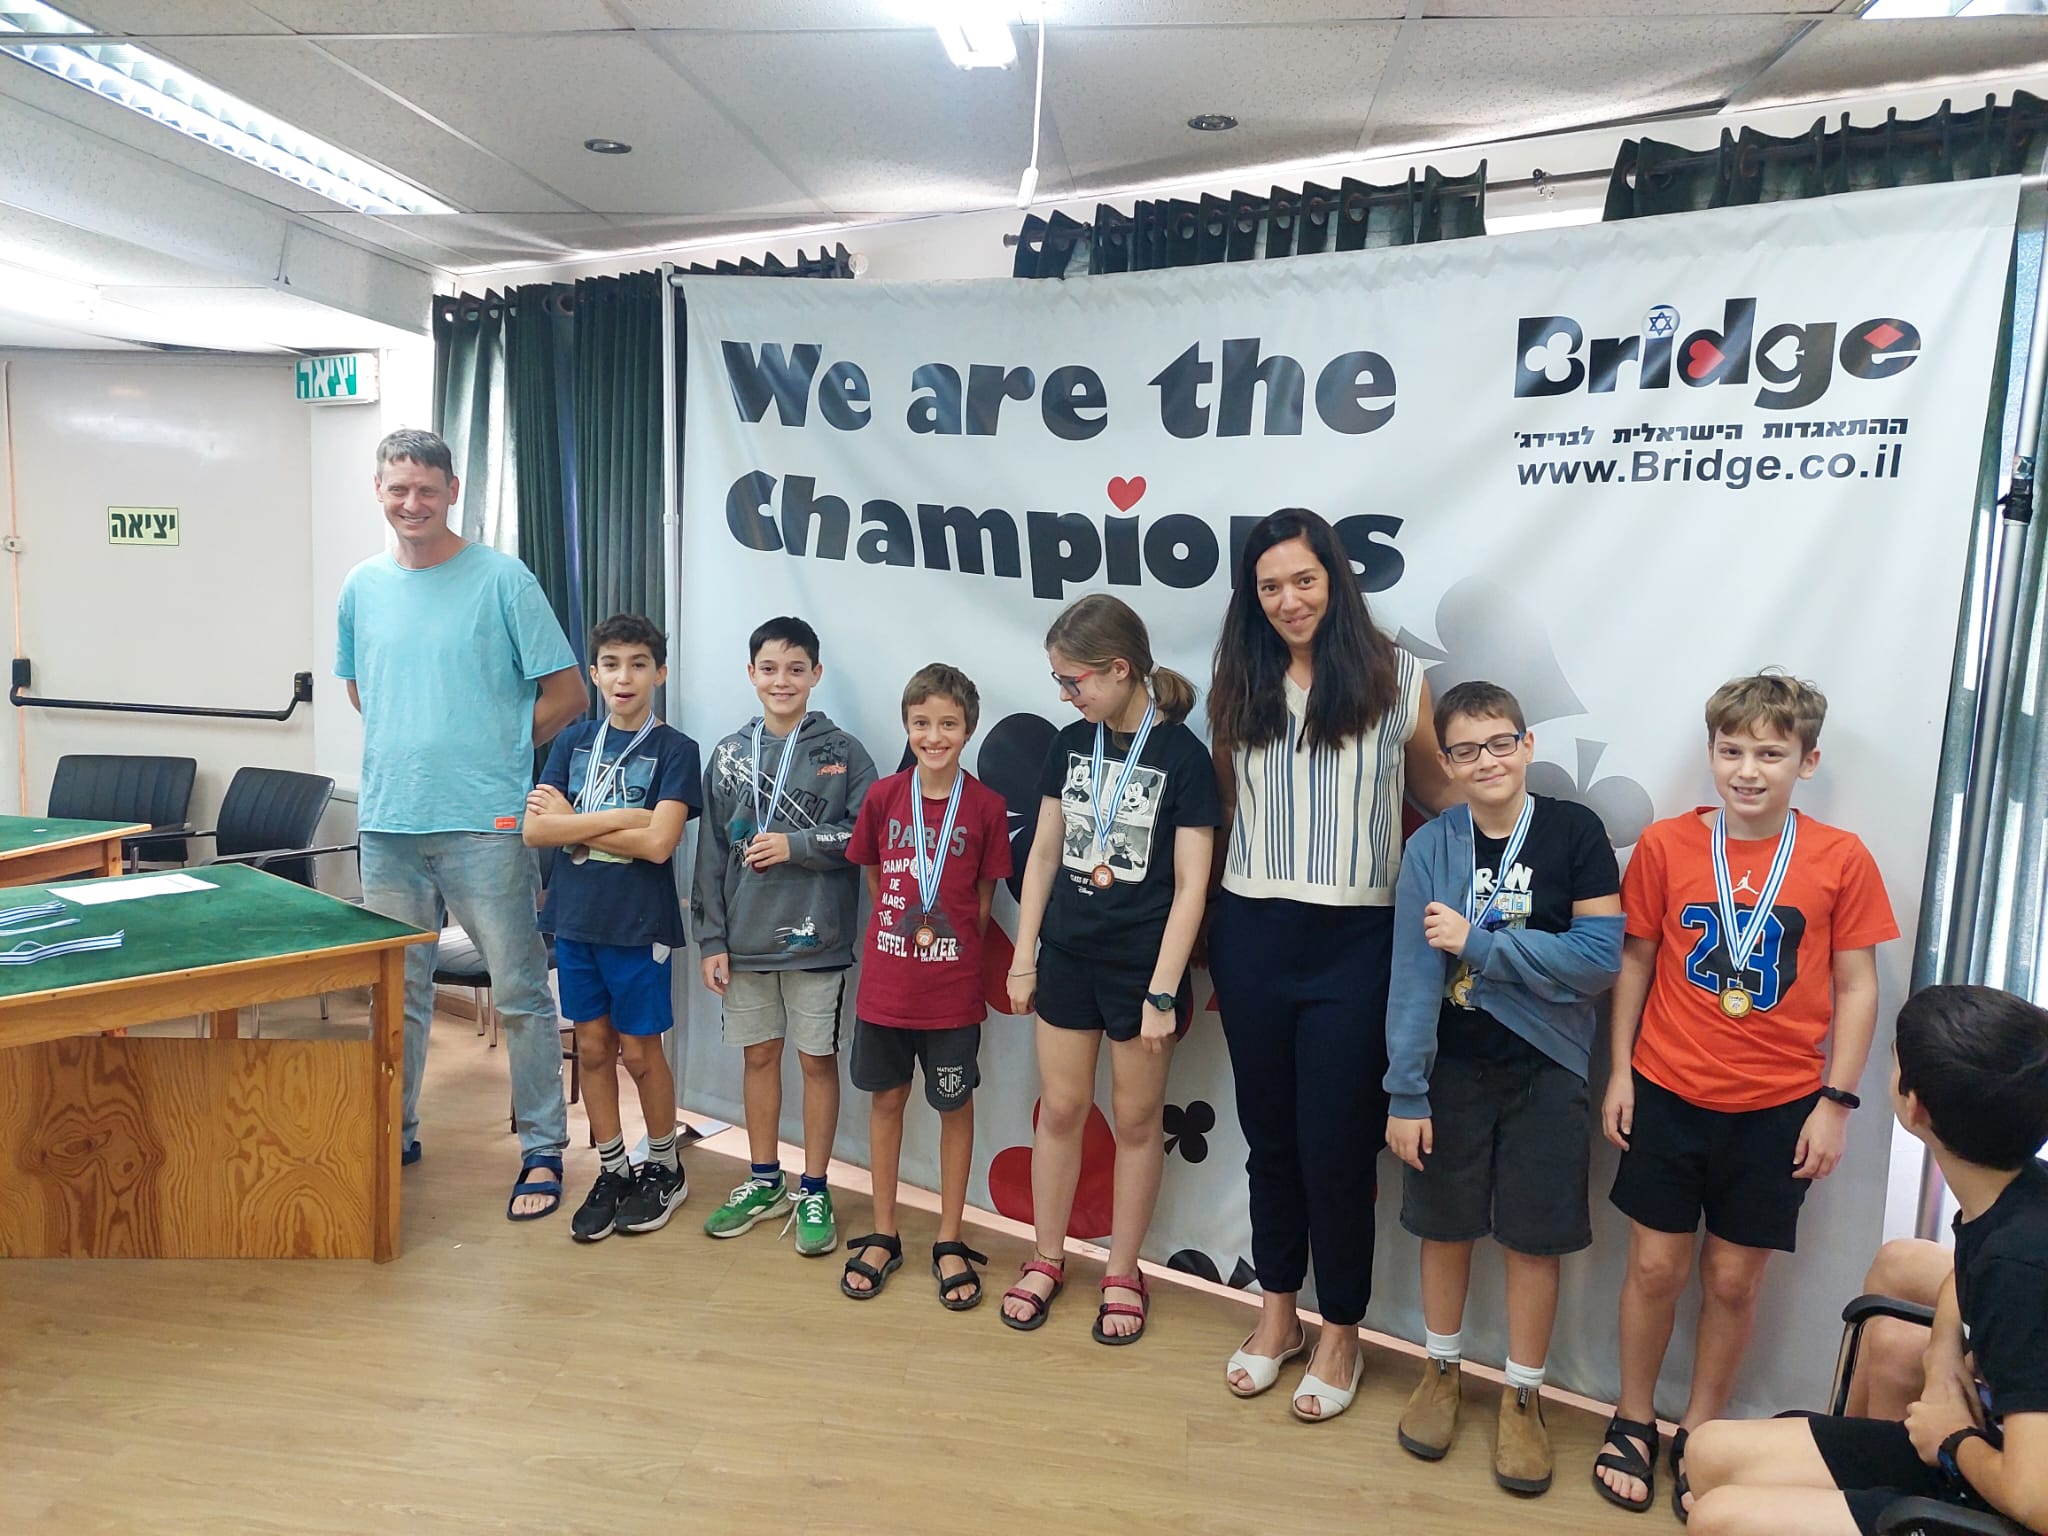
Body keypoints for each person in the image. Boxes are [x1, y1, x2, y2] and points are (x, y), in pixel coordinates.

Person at [1595, 672, 1899, 1516]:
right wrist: (1620, 1071)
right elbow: (1635, 960)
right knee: (1653, 1267)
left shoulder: (1841, 858)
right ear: (1711, 754)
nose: (1748, 770)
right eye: (1732, 751)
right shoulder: (1666, 845)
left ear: (1807, 761)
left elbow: (1858, 986)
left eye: (1770, 753)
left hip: (1779, 1108)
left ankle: (1703, 1431)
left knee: (1733, 1281)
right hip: (1667, 1089)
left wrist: (1836, 1102)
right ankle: (1632, 1417)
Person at [1204, 507, 1452, 1422]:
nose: (1288, 600)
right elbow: (1225, 805)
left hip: (1359, 941)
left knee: (1338, 1148)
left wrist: (1523, 828)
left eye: (1303, 580)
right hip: (1252, 933)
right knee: (1270, 1139)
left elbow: (1438, 791)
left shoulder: (1401, 677)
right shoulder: (1238, 676)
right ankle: (1278, 1316)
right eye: (1270, 586)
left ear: (1334, 580)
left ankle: (1342, 1328)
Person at [1683, 984, 2048, 1536]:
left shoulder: (2020, 1266)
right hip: (1975, 1451)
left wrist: (1953, 1438)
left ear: (1915, 1105)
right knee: (1706, 1452)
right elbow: (1965, 1271)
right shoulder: (2011, 1190)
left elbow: (2034, 1497)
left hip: (2001, 1490)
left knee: (1717, 1519)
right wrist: (1942, 1355)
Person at [337, 427, 587, 1221]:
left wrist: (499, 751)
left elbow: (569, 694)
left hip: (485, 823)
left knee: (520, 992)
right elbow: (363, 691)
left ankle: (542, 1148)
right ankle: (396, 1132)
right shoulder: (361, 586)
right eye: (398, 489)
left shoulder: (503, 579)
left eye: (427, 489)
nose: (412, 503)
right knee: (396, 993)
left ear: (452, 492)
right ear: (379, 492)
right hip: (389, 823)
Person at [1383, 680, 1623, 1490]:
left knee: (1534, 1237)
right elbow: (1413, 974)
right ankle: (1441, 1370)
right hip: (1450, 1067)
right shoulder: (1433, 846)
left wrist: (1480, 945)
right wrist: (1405, 1091)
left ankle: (1524, 1395)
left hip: (1548, 1068)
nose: (1485, 760)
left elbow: (1598, 961)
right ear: (1447, 764)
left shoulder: (1573, 832)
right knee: (1443, 1226)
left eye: (1499, 743)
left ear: (1526, 745)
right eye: (1465, 750)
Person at [1001, 594, 1218, 1345]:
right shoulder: (1070, 744)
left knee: (1134, 1122)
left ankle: (1123, 1271)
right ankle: (1046, 1255)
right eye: (1059, 681)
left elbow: (1192, 886)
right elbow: (1041, 855)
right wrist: (1023, 955)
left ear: (1120, 669)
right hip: (1066, 957)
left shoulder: (1183, 757)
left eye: (1074, 680)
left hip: (1141, 969)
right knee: (1061, 1110)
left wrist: (1162, 990)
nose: (1067, 695)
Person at [691, 616, 875, 1257]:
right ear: (751, 674)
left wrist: (797, 845)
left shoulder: (843, 753)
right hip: (744, 943)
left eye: (796, 669)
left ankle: (815, 1186)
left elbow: (864, 836)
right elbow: (711, 853)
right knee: (758, 1059)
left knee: (816, 1061)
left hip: (816, 942)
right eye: (769, 668)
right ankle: (764, 1179)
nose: (782, 680)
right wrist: (711, 939)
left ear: (816, 675)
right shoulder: (728, 755)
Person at [521, 614, 700, 1242]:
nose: (625, 677)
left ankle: (665, 1167)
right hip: (575, 921)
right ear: (594, 674)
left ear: (660, 673)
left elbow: (659, 845)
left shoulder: (675, 750)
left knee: (640, 1053)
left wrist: (577, 822)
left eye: (639, 665)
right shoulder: (572, 742)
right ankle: (613, 1168)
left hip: (637, 924)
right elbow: (535, 830)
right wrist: (626, 816)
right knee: (593, 1049)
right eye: (612, 665)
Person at [841, 664, 1012, 1307]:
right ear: (906, 726)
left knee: (953, 1109)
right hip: (887, 990)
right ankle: (884, 1231)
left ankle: (949, 1237)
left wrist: (947, 948)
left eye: (948, 724)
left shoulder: (986, 806)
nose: (934, 736)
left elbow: (984, 903)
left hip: (952, 996)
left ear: (968, 729)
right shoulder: (884, 797)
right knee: (885, 1104)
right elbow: (874, 877)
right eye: (921, 723)